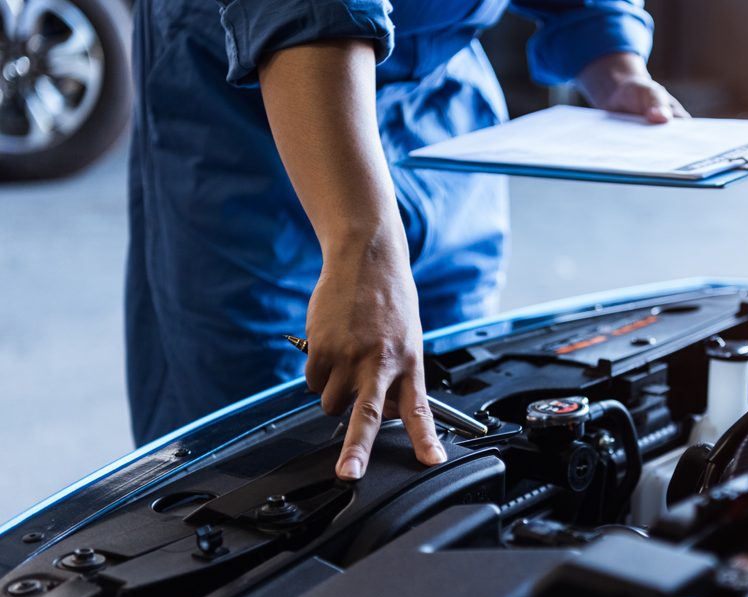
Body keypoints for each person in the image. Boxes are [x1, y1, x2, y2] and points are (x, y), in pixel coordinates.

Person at [126, 0, 687, 481]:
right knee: (256, 448)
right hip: (266, 91)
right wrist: (360, 243)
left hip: (438, 91)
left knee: (458, 384)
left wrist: (612, 55)